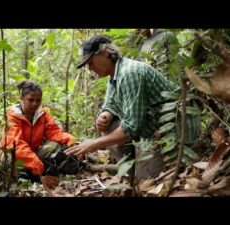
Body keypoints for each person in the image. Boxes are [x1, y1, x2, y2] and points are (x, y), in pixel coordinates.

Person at [64, 35, 199, 182]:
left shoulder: (130, 73)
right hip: (151, 130)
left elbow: (131, 127)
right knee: (109, 124)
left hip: (173, 131)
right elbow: (110, 104)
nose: (90, 69)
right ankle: (130, 172)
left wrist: (94, 144)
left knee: (148, 183)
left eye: (91, 62)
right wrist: (106, 114)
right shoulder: (114, 75)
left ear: (105, 52)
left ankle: (142, 171)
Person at [0, 81, 77, 180]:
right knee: (8, 156)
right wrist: (37, 165)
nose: (34, 104)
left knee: (54, 145)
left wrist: (72, 141)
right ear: (22, 98)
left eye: (38, 100)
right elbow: (15, 144)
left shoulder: (43, 115)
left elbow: (54, 132)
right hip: (19, 157)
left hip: (34, 154)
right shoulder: (12, 116)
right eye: (30, 100)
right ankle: (16, 179)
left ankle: (43, 173)